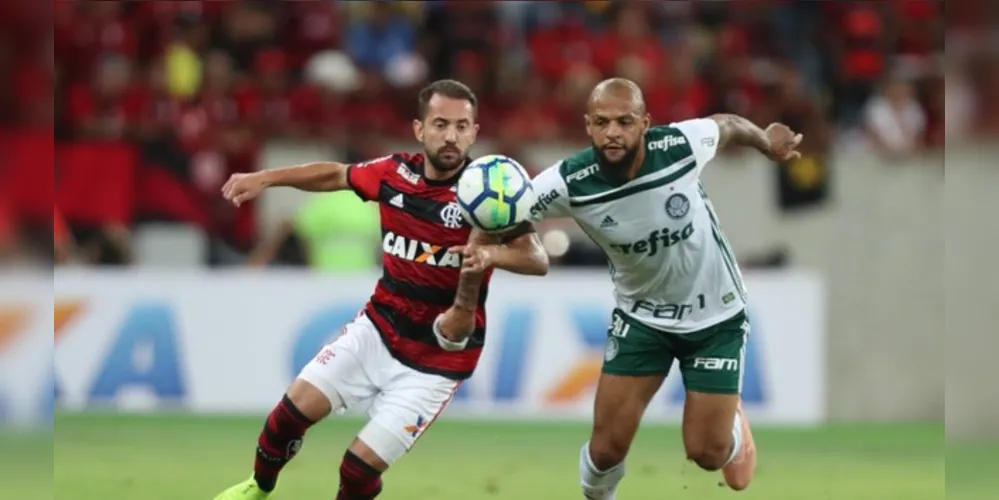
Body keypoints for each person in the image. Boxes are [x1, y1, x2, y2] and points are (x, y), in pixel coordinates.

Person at [211, 79, 549, 500]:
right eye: (440, 124)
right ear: (419, 129)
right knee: (287, 417)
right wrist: (266, 178)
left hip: (436, 360)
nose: (450, 136)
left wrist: (491, 254)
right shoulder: (394, 173)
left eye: (461, 126)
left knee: (356, 471)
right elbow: (336, 175)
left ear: (474, 133)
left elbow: (537, 258)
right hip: (377, 330)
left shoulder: (486, 191)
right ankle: (258, 489)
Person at [526, 78, 802, 497]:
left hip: (716, 316)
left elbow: (727, 124)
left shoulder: (679, 146)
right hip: (642, 319)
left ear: (645, 124)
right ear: (588, 125)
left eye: (625, 122)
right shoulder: (567, 182)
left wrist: (764, 141)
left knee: (707, 453)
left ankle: (730, 420)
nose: (612, 132)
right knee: (605, 449)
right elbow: (506, 215)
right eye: (602, 122)